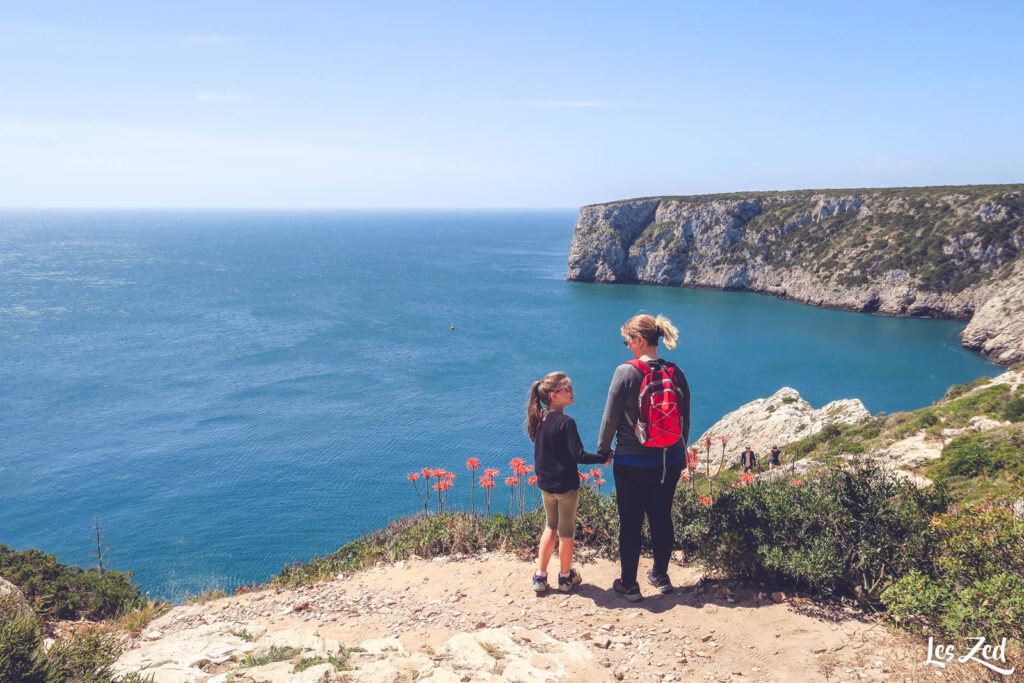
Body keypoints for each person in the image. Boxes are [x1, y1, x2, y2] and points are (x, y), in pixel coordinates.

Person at [597, 314, 690, 601]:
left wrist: (603, 450)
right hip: (669, 461)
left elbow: (610, 418)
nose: (626, 346)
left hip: (632, 463)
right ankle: (660, 575)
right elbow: (685, 418)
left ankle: (629, 584)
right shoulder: (676, 372)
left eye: (628, 341)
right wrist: (680, 454)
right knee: (662, 516)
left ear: (639, 340)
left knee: (631, 522)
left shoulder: (625, 372)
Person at [526, 372, 606, 594]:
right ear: (554, 396)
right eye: (567, 389)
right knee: (566, 532)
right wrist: (604, 456)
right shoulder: (567, 423)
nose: (572, 392)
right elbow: (579, 455)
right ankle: (565, 577)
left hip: (546, 485)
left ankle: (540, 576)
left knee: (550, 527)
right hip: (566, 488)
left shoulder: (539, 418)